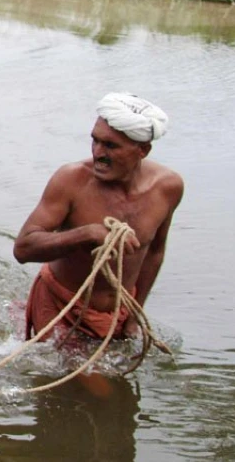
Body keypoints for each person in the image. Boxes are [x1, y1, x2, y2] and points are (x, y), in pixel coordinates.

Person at [13, 93, 184, 343]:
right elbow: (23, 248)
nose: (98, 153)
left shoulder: (168, 188)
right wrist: (87, 234)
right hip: (61, 306)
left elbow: (154, 253)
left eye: (111, 146)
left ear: (142, 150)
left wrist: (135, 314)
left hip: (117, 314)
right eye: (95, 141)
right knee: (91, 382)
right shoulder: (71, 180)